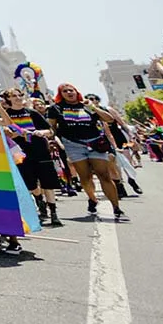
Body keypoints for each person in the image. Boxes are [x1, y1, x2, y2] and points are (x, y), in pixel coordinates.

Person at [47, 83, 127, 222]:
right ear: (61, 94)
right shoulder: (56, 109)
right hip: (73, 145)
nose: (69, 93)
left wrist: (93, 107)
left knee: (104, 175)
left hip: (95, 143)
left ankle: (116, 208)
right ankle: (92, 198)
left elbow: (109, 119)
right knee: (85, 177)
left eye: (71, 90)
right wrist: (50, 138)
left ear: (76, 91)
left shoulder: (87, 105)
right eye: (65, 91)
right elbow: (52, 128)